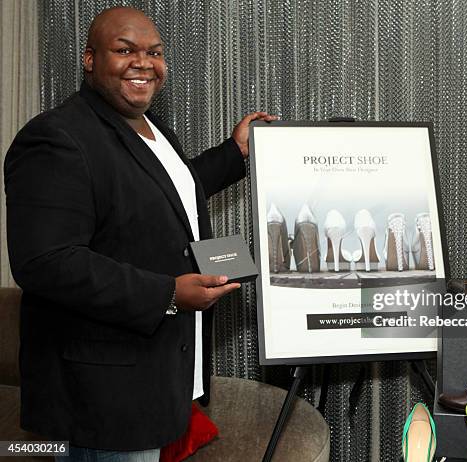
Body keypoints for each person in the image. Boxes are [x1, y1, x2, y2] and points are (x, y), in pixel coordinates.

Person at [3, 6, 275, 461]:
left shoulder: (146, 127)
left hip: (154, 380)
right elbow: (45, 262)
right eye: (124, 50)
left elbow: (166, 192)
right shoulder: (57, 137)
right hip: (104, 400)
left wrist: (235, 152)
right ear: (89, 59)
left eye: (154, 52)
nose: (143, 63)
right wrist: (167, 293)